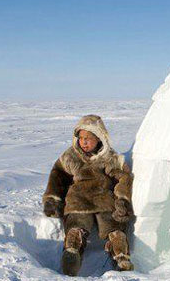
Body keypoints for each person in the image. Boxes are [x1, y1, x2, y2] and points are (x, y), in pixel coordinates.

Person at [42, 114, 135, 276]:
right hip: (78, 200)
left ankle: (121, 256)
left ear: (99, 138)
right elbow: (58, 176)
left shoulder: (109, 157)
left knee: (114, 227)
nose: (84, 142)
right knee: (76, 224)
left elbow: (124, 177)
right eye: (81, 137)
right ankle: (72, 251)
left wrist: (122, 199)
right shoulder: (71, 156)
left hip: (104, 200)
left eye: (89, 138)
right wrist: (52, 198)